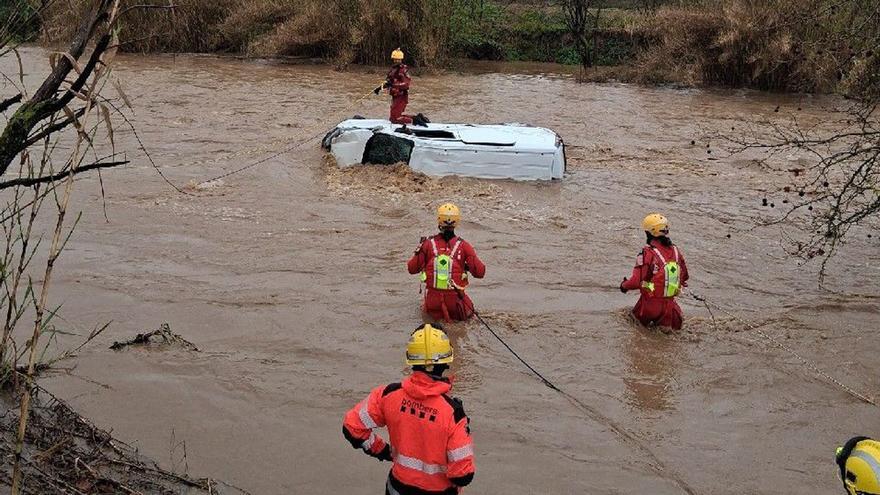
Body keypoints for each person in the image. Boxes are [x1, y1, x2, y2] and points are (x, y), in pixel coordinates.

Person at [342, 324, 476, 495]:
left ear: (411, 360)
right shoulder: (453, 413)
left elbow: (352, 427)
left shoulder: (388, 394)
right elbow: (462, 475)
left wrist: (382, 450)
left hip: (397, 488)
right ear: (446, 361)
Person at [408, 203, 485, 322]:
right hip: (456, 304)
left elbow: (411, 269)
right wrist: (465, 267)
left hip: (432, 303)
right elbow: (480, 273)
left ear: (439, 220)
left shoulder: (427, 244)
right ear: (457, 222)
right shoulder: (464, 246)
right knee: (471, 315)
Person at [619, 213, 689, 330]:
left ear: (648, 233)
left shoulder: (648, 253)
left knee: (630, 325)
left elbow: (636, 282)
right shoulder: (677, 252)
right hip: (670, 309)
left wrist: (624, 286)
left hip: (648, 306)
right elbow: (684, 277)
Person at [373, 48, 429, 126]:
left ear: (401, 59)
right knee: (393, 117)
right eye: (395, 59)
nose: (396, 61)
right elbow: (389, 82)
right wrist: (379, 88)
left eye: (398, 60)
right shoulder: (393, 70)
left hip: (402, 96)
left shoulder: (403, 70)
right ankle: (416, 117)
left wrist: (393, 84)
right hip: (395, 95)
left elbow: (406, 84)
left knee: (395, 119)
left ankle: (415, 121)